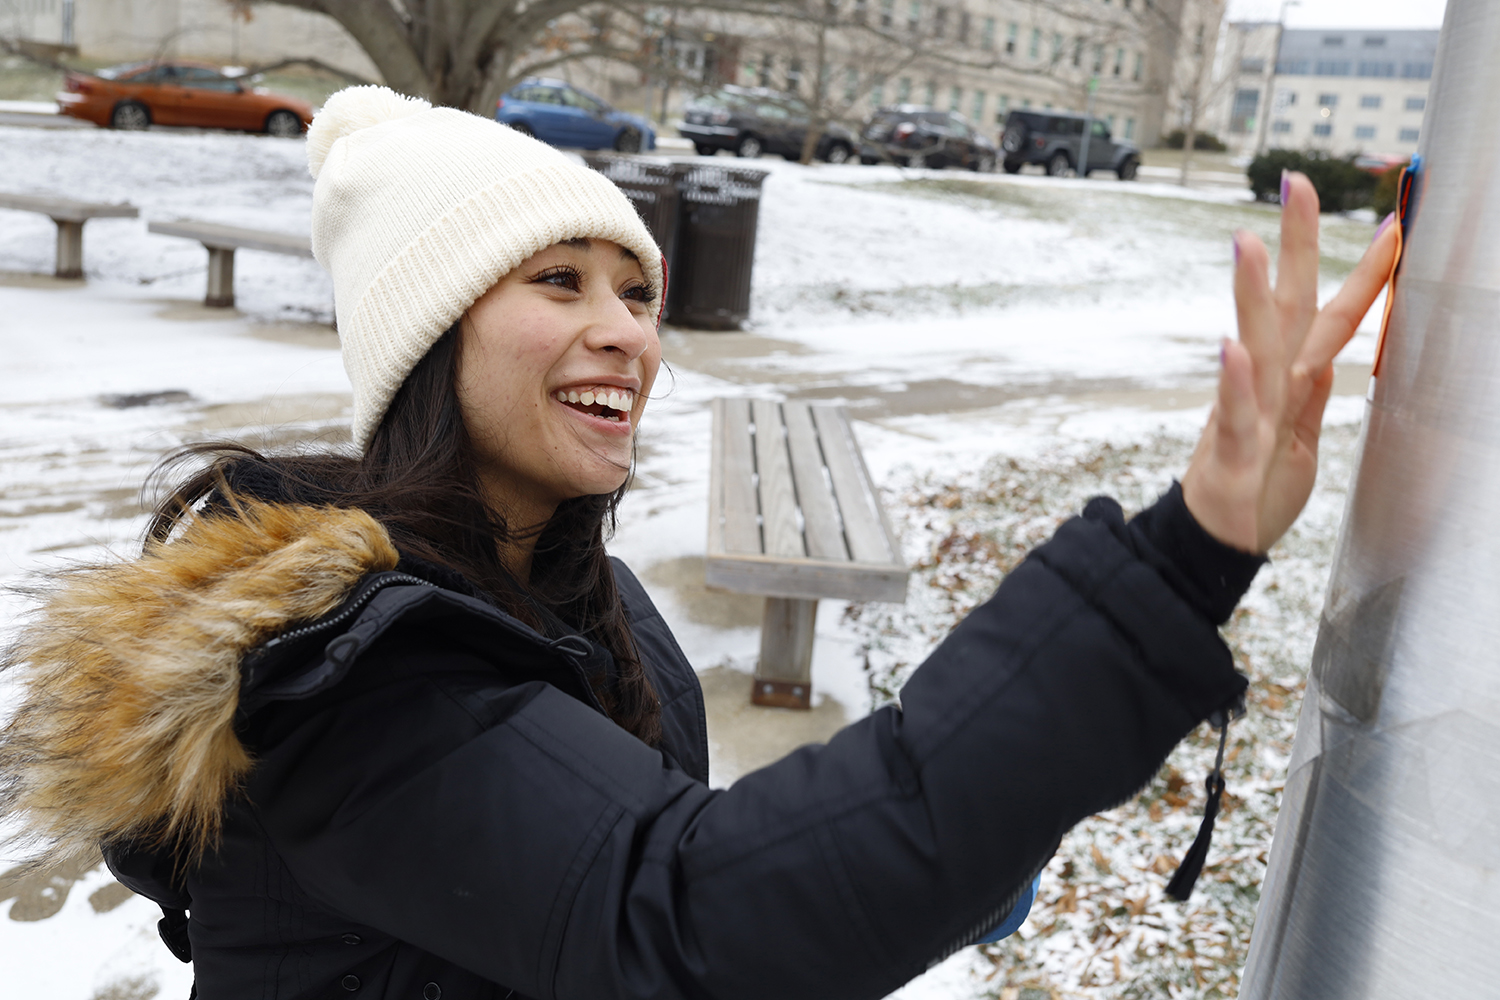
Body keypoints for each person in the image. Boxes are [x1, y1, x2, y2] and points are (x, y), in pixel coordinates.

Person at [0, 87, 1397, 1000]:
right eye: (559, 284)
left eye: (639, 290)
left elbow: (691, 863)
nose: (626, 332)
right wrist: (1180, 558)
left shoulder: (576, 595)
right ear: (432, 338)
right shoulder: (343, 677)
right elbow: (689, 919)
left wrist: (982, 837)